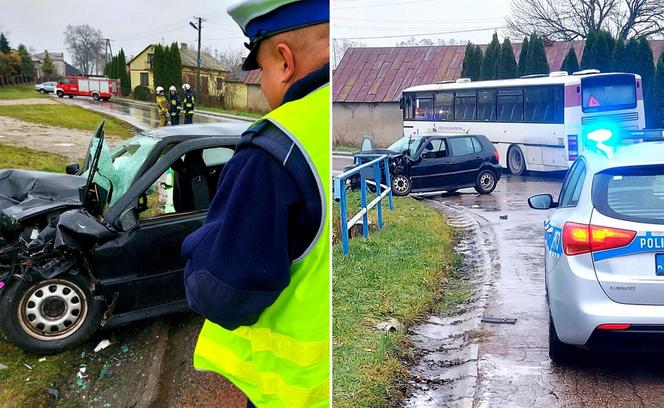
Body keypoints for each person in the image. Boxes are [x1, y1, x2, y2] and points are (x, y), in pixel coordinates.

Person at [181, 0, 330, 407]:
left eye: (261, 70)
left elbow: (221, 293)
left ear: (284, 61)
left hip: (292, 395)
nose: (262, 86)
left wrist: (202, 244)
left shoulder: (273, 150)